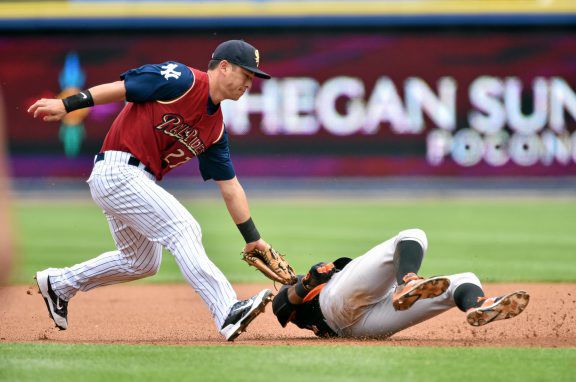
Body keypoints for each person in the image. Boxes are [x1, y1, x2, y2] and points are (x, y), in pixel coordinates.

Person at [27, 39, 275, 341]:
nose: (250, 82)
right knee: (183, 228)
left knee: (141, 261)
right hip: (118, 170)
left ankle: (59, 283)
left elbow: (231, 187)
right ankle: (227, 311)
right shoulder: (183, 79)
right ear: (224, 67)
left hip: (134, 180)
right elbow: (124, 87)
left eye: (253, 77)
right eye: (246, 74)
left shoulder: (216, 128)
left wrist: (253, 239)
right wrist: (67, 104)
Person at [272, 228, 530, 338]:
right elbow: (283, 309)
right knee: (413, 234)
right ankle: (407, 282)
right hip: (334, 305)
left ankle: (477, 305)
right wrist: (306, 283)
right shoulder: (295, 285)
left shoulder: (340, 273)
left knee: (466, 279)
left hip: (365, 328)